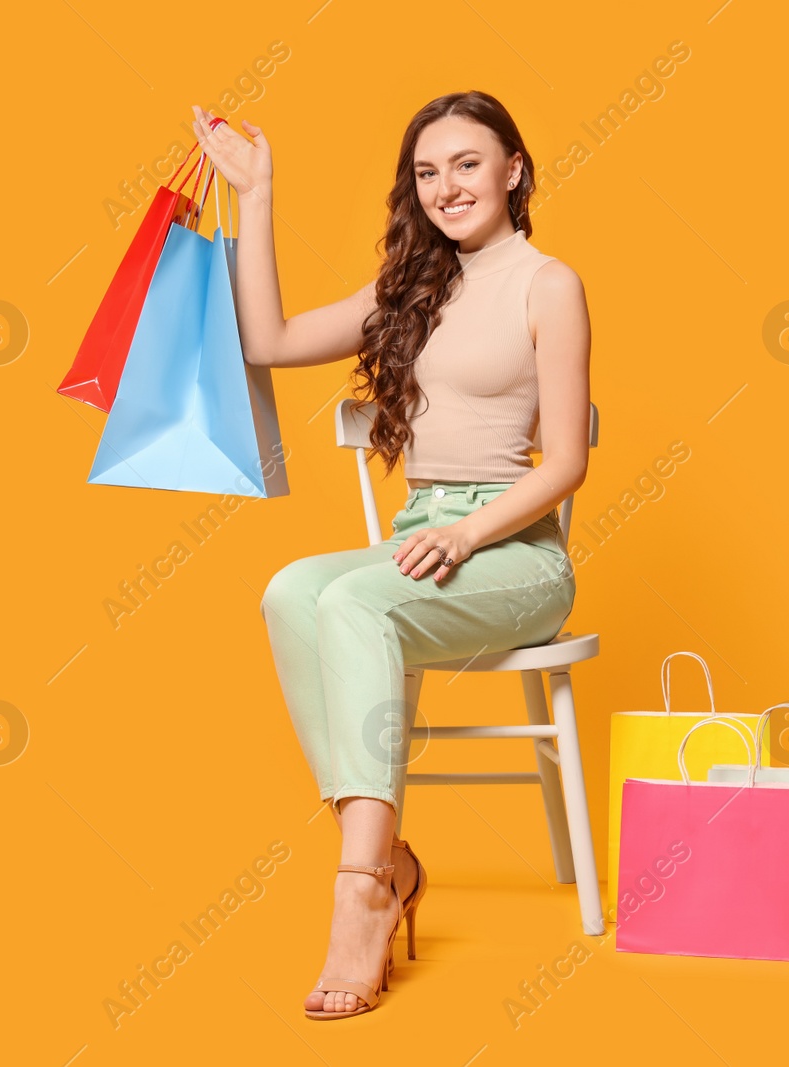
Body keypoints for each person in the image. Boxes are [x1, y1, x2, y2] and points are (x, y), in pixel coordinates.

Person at [190, 91, 591, 1020]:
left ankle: (362, 884)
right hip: (423, 540)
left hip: (516, 553)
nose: (445, 187)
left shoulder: (548, 283)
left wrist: (465, 531)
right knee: (293, 590)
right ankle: (391, 859)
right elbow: (270, 341)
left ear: (512, 170)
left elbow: (566, 461)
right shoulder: (415, 289)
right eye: (426, 171)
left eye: (465, 163)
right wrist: (256, 194)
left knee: (356, 605)